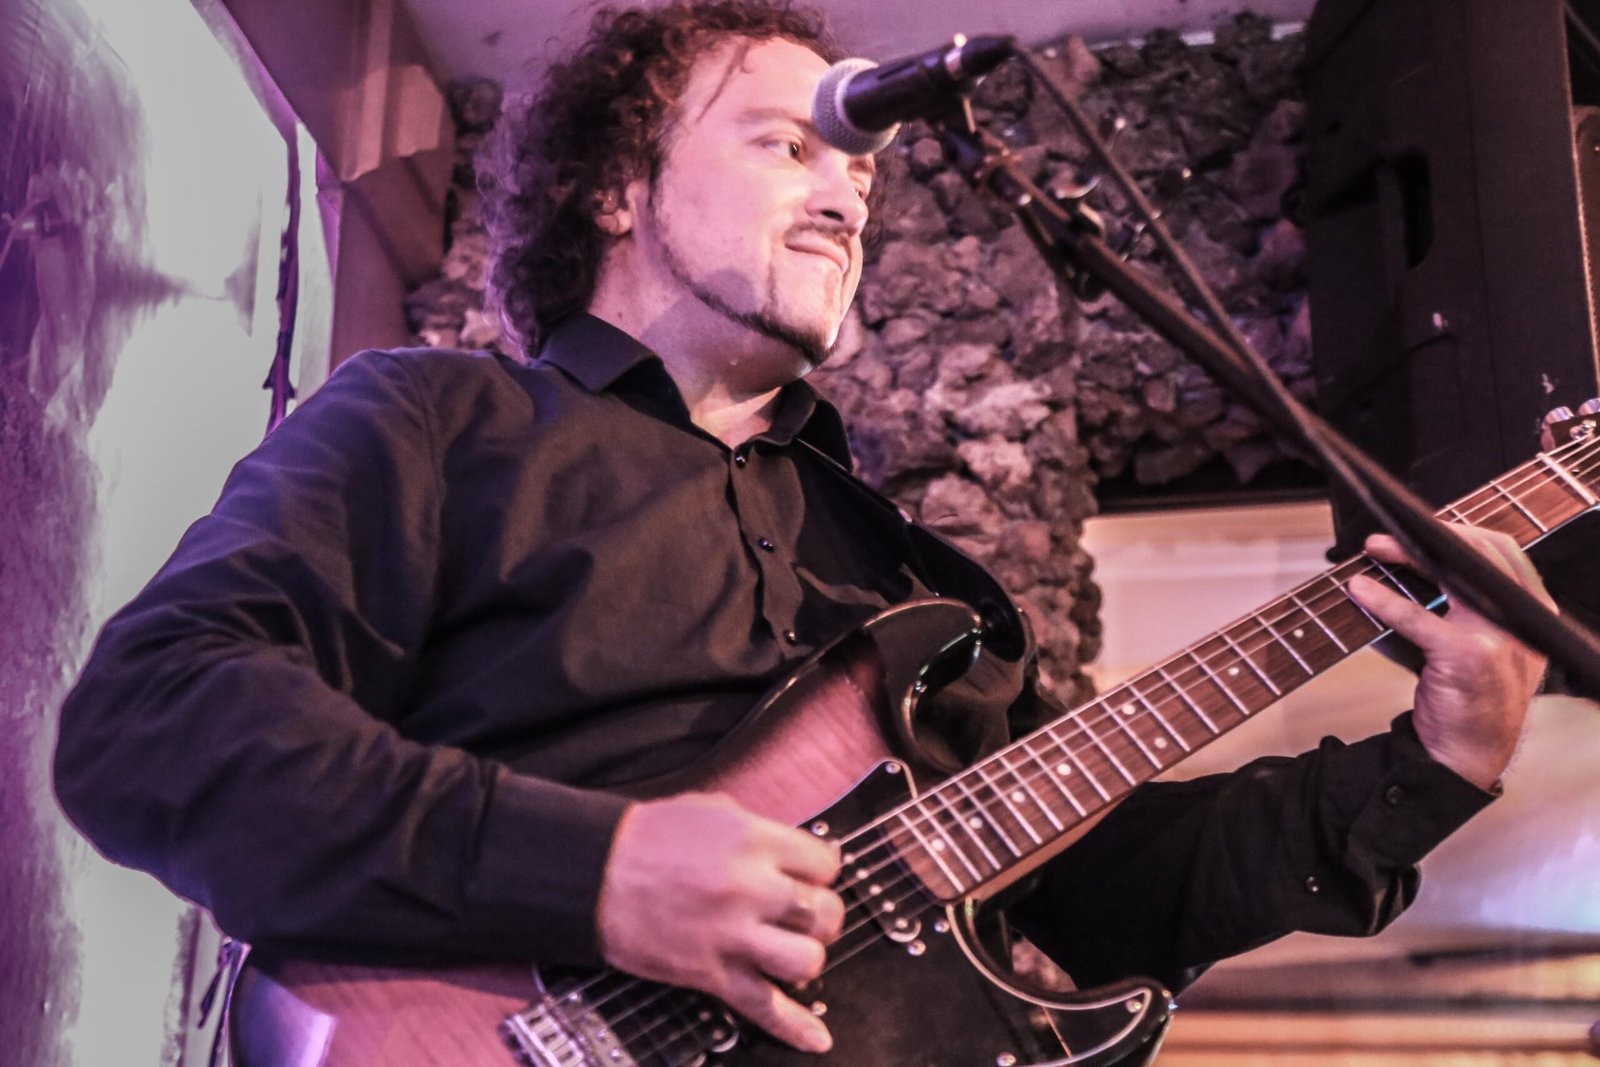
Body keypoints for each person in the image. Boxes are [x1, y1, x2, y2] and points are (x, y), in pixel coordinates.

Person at [54, 0, 1552, 1058]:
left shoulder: (911, 583)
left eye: (861, 169)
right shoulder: (439, 421)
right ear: (613, 187)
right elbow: (154, 724)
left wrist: (1439, 764)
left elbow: (1106, 897)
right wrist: (594, 872)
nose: (846, 197)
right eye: (789, 145)